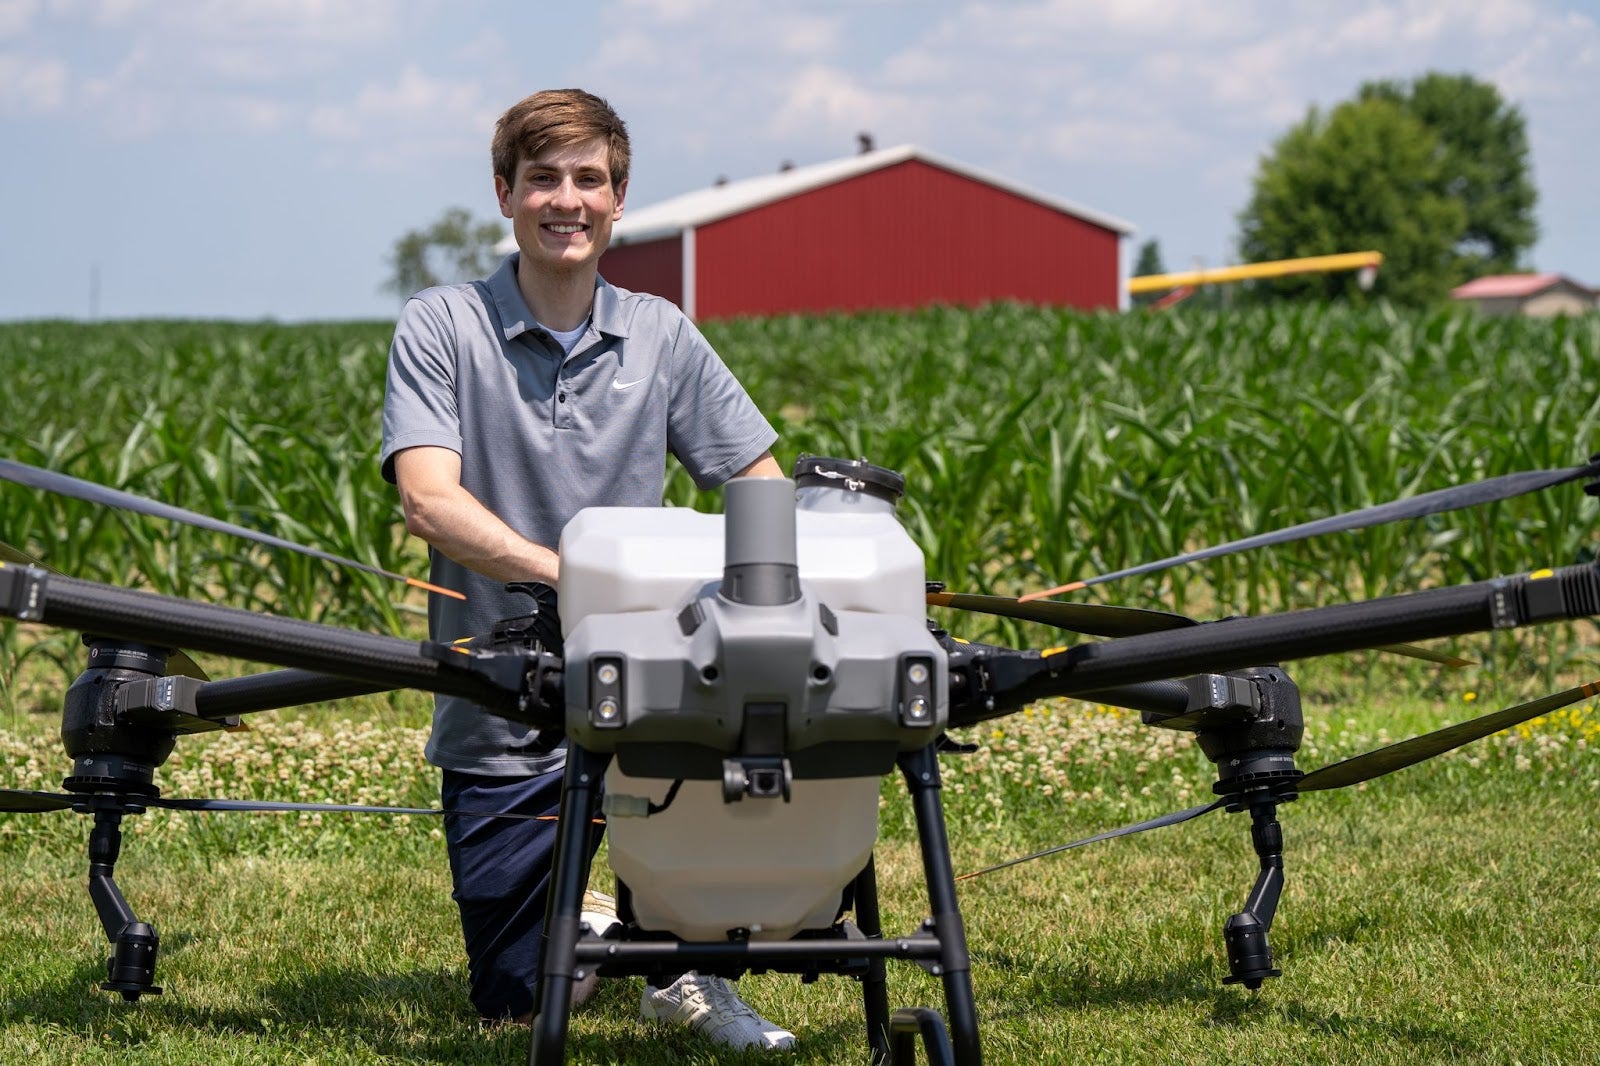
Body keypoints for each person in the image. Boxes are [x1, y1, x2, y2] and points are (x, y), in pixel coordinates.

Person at [379, 88, 795, 1051]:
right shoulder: (443, 324)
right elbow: (428, 501)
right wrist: (576, 574)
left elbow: (759, 484)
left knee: (706, 885)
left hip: (655, 695)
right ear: (505, 194)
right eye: (542, 180)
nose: (565, 200)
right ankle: (606, 928)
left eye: (588, 180)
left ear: (616, 202)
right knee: (520, 1001)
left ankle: (679, 968)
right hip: (503, 703)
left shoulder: (660, 333)